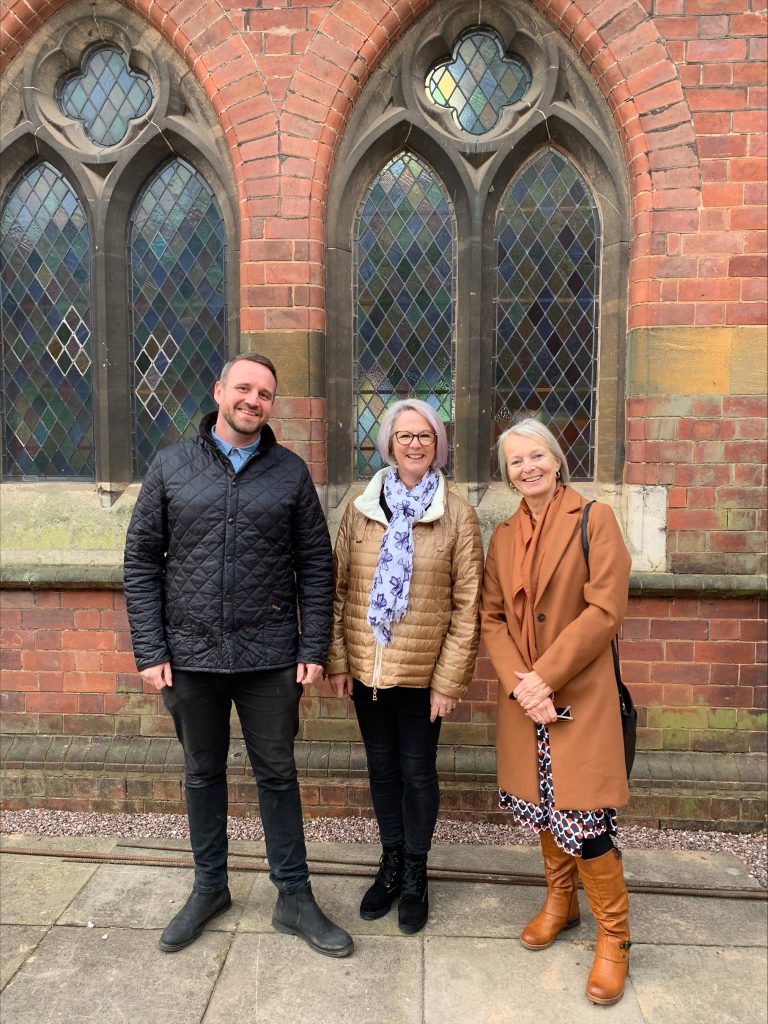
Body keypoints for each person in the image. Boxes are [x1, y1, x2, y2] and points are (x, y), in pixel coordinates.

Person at [123, 353, 353, 959]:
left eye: (266, 394)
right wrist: (150, 649)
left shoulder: (291, 473)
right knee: (202, 771)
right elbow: (142, 561)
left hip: (270, 657)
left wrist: (313, 647)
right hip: (190, 656)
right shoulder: (171, 466)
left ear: (272, 405)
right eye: (244, 389)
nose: (254, 400)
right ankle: (209, 888)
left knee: (277, 774)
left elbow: (316, 566)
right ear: (220, 391)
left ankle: (294, 897)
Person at [480, 418, 632, 1006]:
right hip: (528, 702)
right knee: (544, 808)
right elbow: (492, 618)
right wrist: (524, 687)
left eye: (536, 455)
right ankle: (560, 903)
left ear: (556, 458)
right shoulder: (503, 536)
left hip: (579, 695)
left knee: (587, 819)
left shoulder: (595, 519)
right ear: (507, 473)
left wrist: (545, 677)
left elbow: (606, 608)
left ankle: (615, 940)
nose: (528, 467)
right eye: (515, 461)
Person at [327, 399, 483, 934]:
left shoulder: (457, 514)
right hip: (368, 670)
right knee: (382, 769)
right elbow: (338, 587)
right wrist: (340, 660)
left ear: (438, 444)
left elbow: (468, 605)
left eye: (425, 436)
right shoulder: (361, 508)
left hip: (423, 677)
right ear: (389, 443)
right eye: (404, 436)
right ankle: (390, 862)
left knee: (417, 772)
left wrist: (447, 682)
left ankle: (417, 870)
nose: (414, 444)